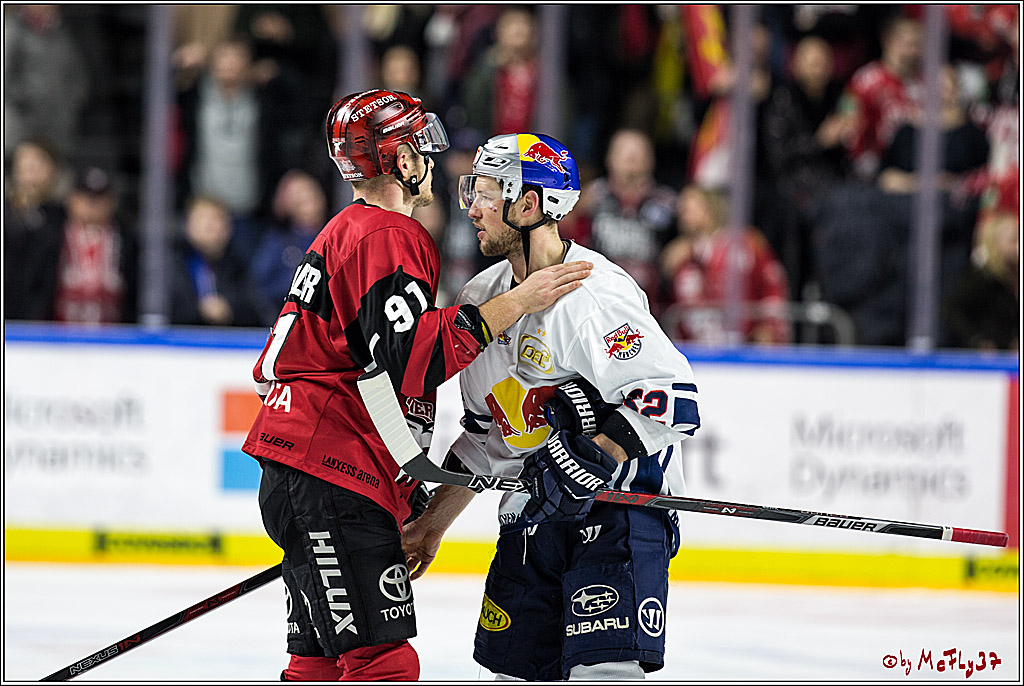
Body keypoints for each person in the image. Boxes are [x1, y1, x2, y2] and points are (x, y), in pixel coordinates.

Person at [241, 91, 592, 682]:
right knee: (384, 665)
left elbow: (356, 370)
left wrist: (401, 486)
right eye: (419, 147)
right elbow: (409, 360)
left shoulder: (343, 231)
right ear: (402, 160)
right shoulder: (388, 234)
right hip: (333, 475)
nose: (429, 159)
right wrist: (518, 301)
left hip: (304, 473)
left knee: (320, 662)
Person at [402, 133, 700, 680]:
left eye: (485, 193)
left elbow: (672, 398)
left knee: (605, 676)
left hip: (617, 515)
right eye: (471, 192)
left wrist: (590, 459)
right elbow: (486, 438)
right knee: (511, 677)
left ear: (528, 204)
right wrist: (431, 525)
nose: (471, 208)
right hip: (532, 516)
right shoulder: (481, 299)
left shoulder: (596, 296)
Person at [660, 185, 790, 345]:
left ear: (709, 209)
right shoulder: (679, 254)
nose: (682, 214)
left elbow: (773, 286)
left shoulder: (747, 244)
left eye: (689, 208)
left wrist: (769, 327)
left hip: (742, 344)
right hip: (692, 346)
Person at [569, 128, 678, 317]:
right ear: (610, 157)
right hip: (597, 298)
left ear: (651, 158)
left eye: (638, 152)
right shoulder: (589, 199)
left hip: (651, 303)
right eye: (624, 151)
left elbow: (690, 238)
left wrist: (682, 246)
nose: (632, 157)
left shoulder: (668, 203)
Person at [52, 167, 138, 324]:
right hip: (58, 332)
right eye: (85, 197)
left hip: (112, 332)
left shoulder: (126, 240)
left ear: (112, 202)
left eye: (99, 198)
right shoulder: (52, 236)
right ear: (71, 199)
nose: (92, 204)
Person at [170, 194, 264, 327]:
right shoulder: (171, 265)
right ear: (187, 226)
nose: (209, 225)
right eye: (202, 218)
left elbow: (258, 310)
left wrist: (229, 310)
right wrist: (199, 311)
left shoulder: (239, 265)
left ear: (228, 228)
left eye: (216, 219)